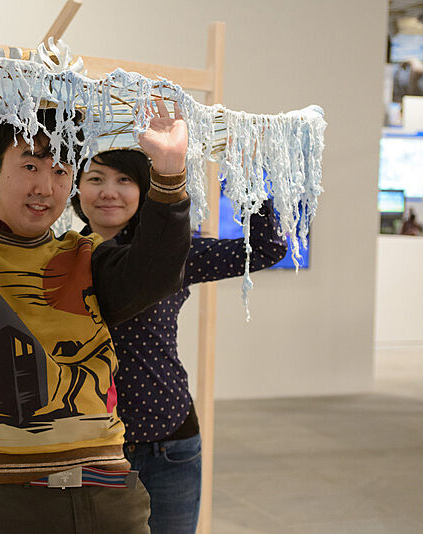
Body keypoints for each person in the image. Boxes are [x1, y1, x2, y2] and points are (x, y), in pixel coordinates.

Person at [0, 61, 191, 533]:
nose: (44, 187)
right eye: (29, 165)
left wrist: (169, 174)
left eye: (61, 170)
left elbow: (154, 274)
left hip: (108, 497)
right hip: (3, 499)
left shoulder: (86, 255)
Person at [72, 148, 288, 534]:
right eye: (96, 179)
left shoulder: (171, 253)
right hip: (89, 448)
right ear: (77, 188)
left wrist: (250, 176)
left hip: (168, 442)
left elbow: (268, 249)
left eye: (125, 180)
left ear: (144, 191)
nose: (109, 192)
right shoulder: (59, 257)